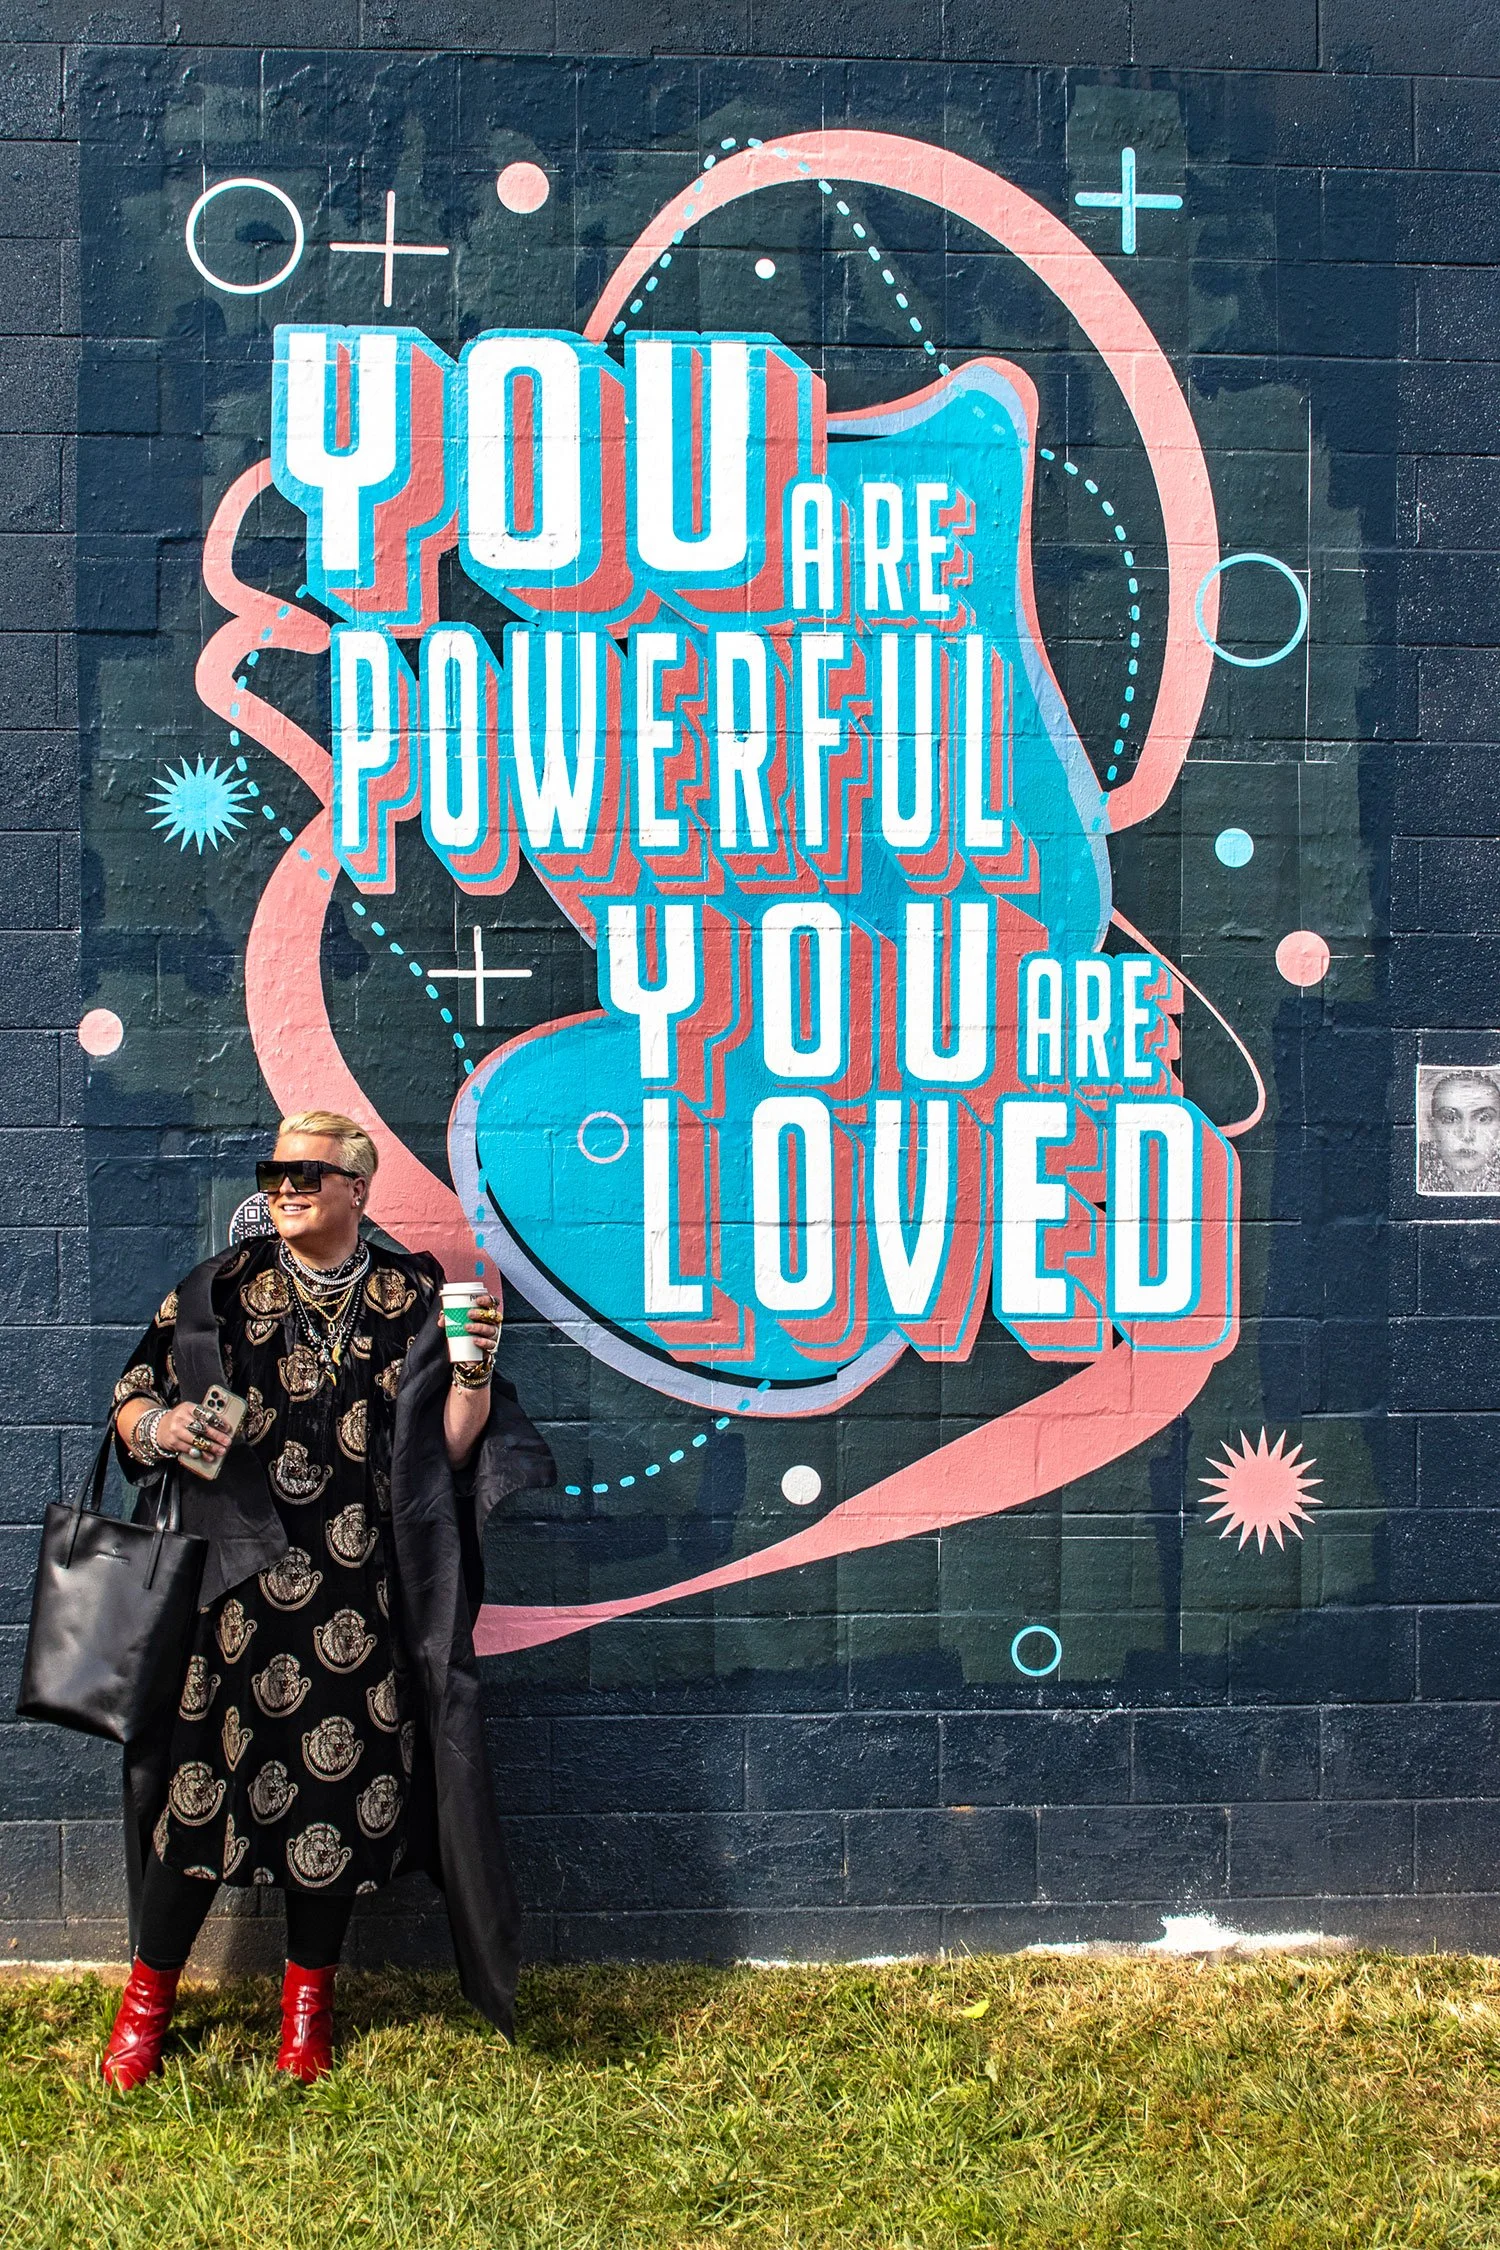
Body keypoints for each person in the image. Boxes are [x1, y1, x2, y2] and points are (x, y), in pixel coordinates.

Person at [100, 1111, 552, 2090]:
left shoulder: (410, 1298)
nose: (289, 1184)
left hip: (360, 1600)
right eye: (278, 1170)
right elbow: (129, 1398)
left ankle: (307, 2012)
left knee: (332, 1815)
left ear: (359, 1186)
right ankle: (147, 2004)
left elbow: (455, 1451)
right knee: (194, 1808)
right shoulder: (217, 1290)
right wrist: (166, 1424)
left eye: (312, 1171)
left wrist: (473, 1366)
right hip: (230, 1602)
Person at [1419, 1069, 1500, 1194]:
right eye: (1449, 1118)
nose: (1466, 1135)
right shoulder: (1414, 1168)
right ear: (1431, 1127)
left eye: (1483, 1118)